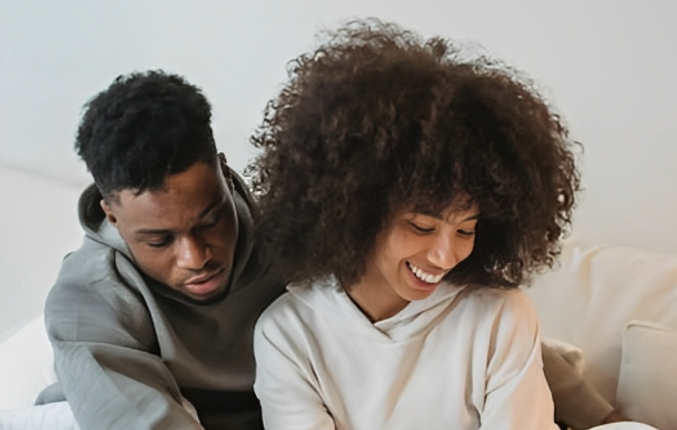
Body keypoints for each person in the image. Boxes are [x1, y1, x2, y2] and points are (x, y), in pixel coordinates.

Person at [248, 19, 588, 429]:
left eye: (466, 229)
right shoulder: (289, 334)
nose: (446, 254)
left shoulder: (499, 317)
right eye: (422, 227)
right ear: (357, 213)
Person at [41, 70, 285, 430]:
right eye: (159, 241)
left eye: (210, 221)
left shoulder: (295, 235)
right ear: (112, 217)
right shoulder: (85, 298)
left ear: (225, 172)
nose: (196, 258)